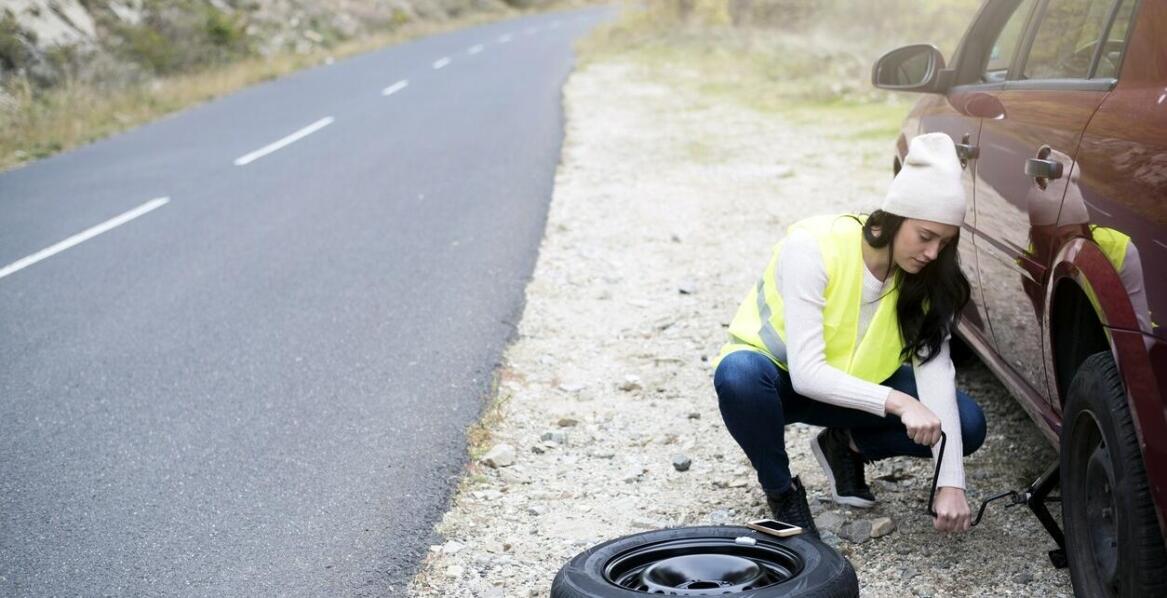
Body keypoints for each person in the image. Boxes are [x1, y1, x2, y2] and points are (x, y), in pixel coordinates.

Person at [713, 133, 988, 537]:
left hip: (857, 394)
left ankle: (845, 445)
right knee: (737, 376)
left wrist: (950, 483)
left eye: (944, 243)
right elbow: (807, 374)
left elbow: (936, 374)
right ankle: (783, 493)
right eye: (925, 236)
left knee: (966, 424)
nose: (932, 253)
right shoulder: (814, 246)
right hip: (783, 383)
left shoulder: (929, 278)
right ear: (894, 217)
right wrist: (901, 403)